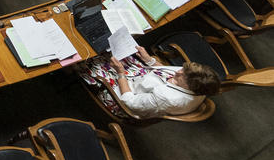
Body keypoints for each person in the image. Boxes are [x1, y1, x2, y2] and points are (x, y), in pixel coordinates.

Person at [78, 48, 219, 120]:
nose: (178, 72)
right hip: (141, 78)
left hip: (124, 97)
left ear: (189, 86)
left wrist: (120, 73)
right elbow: (167, 72)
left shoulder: (166, 98)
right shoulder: (200, 85)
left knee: (89, 62)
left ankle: (73, 69)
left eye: (182, 76)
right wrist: (149, 60)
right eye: (182, 69)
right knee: (113, 51)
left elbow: (129, 102)